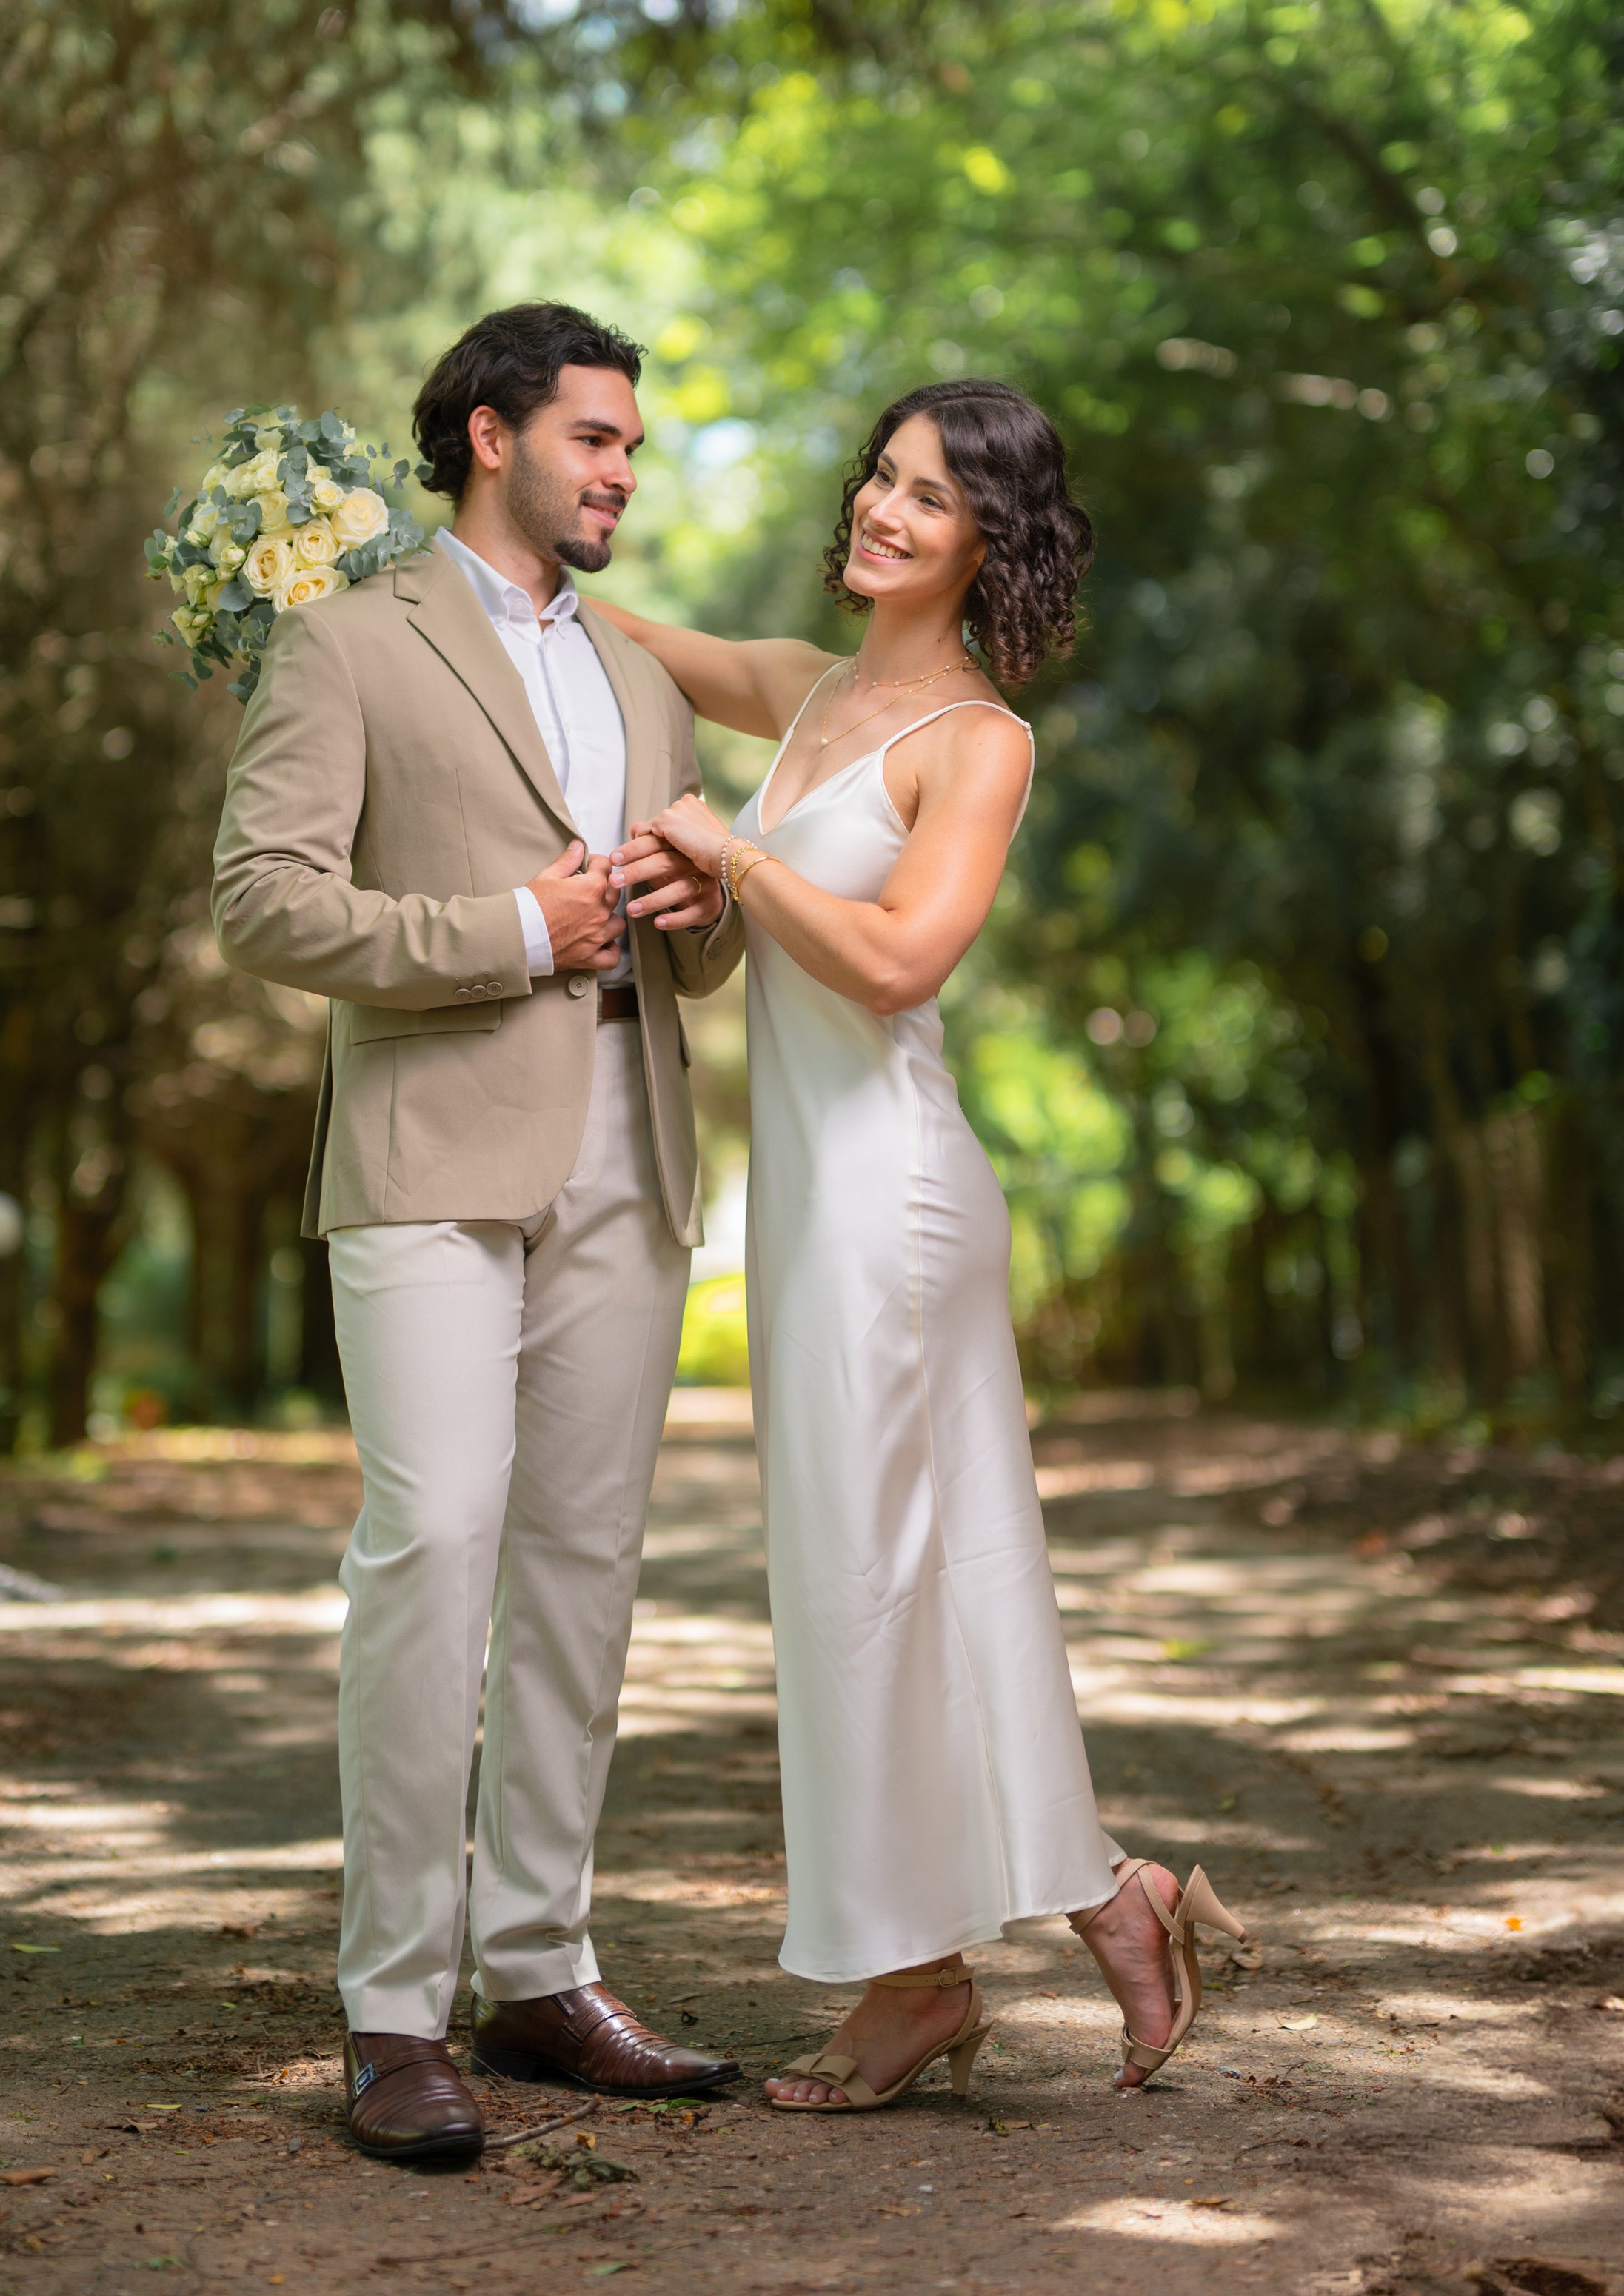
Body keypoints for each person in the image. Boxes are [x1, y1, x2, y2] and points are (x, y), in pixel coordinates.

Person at [601, 378, 1244, 2112]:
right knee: (879, 1586)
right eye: (881, 479)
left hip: (892, 1202)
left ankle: (921, 1987)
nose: (884, 513)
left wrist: (730, 855)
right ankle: (1098, 1905)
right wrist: (405, 545)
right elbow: (617, 630)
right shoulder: (812, 688)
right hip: (816, 1206)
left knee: (872, 1587)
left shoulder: (975, 740)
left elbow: (898, 963)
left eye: (930, 500)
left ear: (988, 544)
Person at [212, 303, 747, 2162]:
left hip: (633, 1142)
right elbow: (266, 906)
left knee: (581, 1563)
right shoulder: (350, 640)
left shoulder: (638, 670)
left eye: (632, 446)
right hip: (432, 1146)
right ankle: (390, 2012)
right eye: (595, 437)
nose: (619, 471)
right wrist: (510, 935)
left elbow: (713, 922)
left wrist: (696, 901)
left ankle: (539, 1969)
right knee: (431, 1543)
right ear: (489, 437)